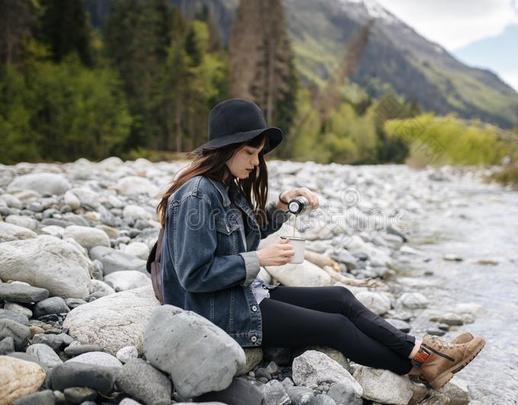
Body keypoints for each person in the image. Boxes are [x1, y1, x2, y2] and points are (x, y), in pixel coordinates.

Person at [156, 98, 485, 390]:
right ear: (227, 148)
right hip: (217, 311)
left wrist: (281, 209)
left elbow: (245, 236)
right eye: (250, 152)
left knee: (340, 297)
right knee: (335, 327)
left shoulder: (225, 186)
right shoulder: (197, 195)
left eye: (258, 154)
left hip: (239, 294)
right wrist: (260, 259)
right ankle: (419, 366)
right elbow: (194, 276)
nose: (256, 162)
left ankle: (420, 351)